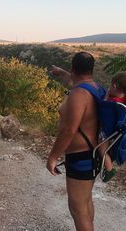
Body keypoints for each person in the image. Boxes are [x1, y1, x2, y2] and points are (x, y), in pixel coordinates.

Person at [47, 52, 100, 231]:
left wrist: (53, 157)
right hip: (92, 155)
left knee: (78, 210)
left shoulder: (79, 94)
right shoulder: (95, 87)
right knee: (85, 203)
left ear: (73, 67)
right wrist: (62, 73)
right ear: (91, 69)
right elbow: (75, 80)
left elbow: (69, 130)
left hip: (80, 158)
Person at [99, 71, 126, 182]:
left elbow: (102, 110)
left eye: (110, 86)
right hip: (118, 127)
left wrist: (106, 96)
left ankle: (109, 169)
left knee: (101, 148)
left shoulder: (112, 103)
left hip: (108, 131)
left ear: (114, 86)